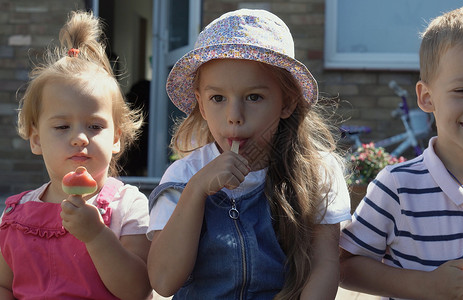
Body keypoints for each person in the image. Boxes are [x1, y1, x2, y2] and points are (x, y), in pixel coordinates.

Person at [147, 8, 351, 299]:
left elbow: (324, 264)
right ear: (201, 105)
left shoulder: (318, 172)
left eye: (254, 97)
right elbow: (164, 281)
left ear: (287, 103)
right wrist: (196, 191)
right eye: (218, 98)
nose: (234, 116)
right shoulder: (184, 176)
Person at [339, 5, 463, 300]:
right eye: (462, 91)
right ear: (427, 97)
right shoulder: (398, 187)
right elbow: (345, 266)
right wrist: (427, 286)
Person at [0, 11, 152, 299]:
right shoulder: (14, 214)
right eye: (62, 126)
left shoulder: (128, 206)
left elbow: (139, 290)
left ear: (116, 139)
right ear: (36, 140)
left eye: (95, 126)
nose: (80, 138)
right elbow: (4, 284)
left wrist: (96, 236)